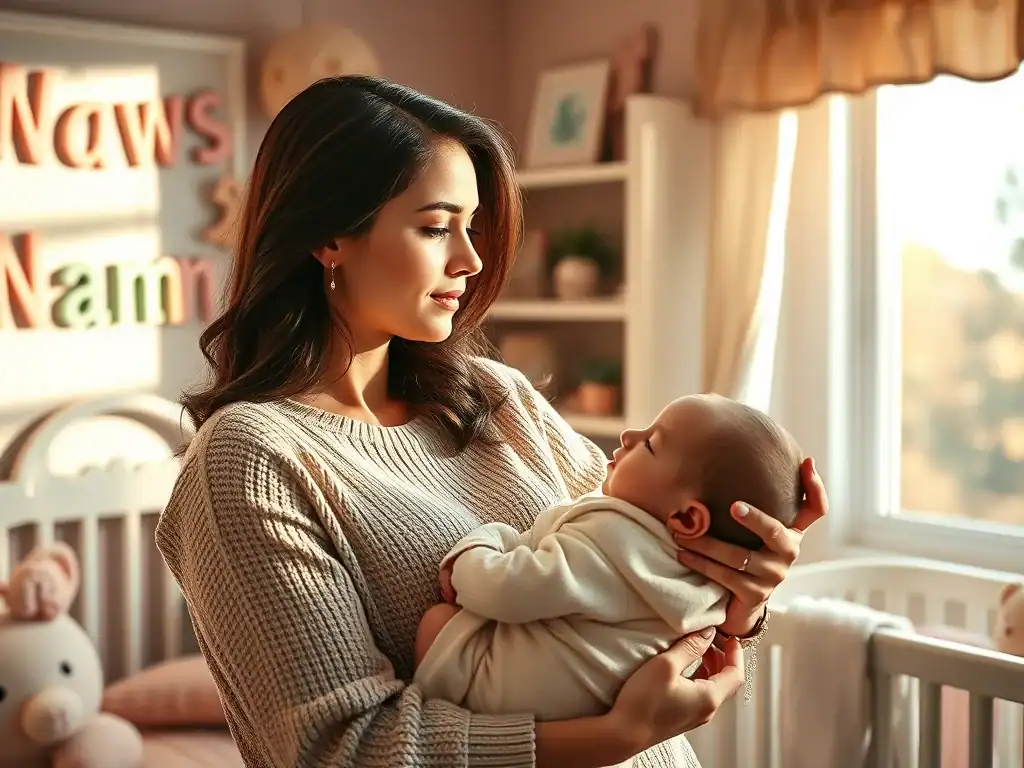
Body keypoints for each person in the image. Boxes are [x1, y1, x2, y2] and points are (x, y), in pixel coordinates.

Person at [154, 75, 829, 768]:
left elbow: (643, 604)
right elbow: (342, 750)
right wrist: (609, 740)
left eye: (470, 227)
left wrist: (743, 591)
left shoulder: (497, 399)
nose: (471, 260)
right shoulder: (251, 461)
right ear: (330, 236)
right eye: (435, 227)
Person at [412, 394, 803, 722]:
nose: (628, 435)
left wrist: (476, 547)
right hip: (594, 710)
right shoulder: (708, 577)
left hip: (500, 693)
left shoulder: (614, 537)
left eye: (650, 443)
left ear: (687, 517)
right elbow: (719, 639)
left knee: (438, 623)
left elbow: (508, 588)